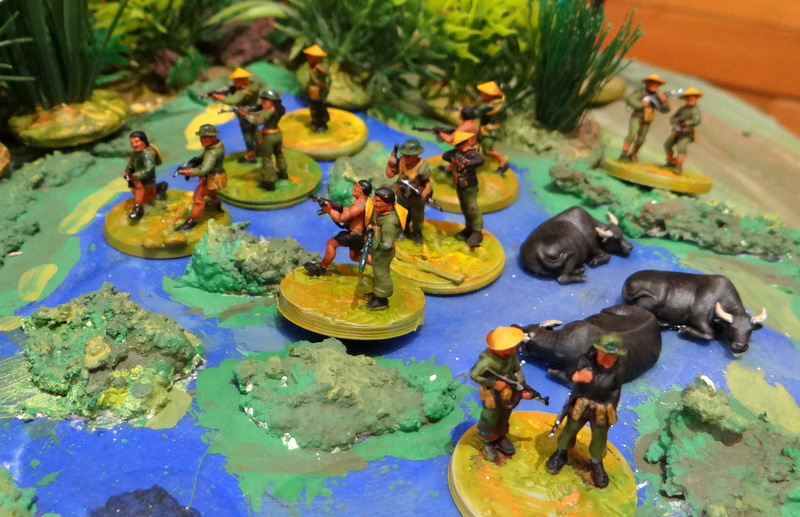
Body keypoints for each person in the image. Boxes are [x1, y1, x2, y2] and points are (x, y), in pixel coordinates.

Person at [545, 332, 627, 488]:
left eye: (612, 355)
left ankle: (596, 462)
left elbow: (615, 391)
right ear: (598, 350)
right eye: (604, 353)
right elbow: (569, 369)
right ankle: (561, 452)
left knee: (599, 438)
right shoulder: (585, 360)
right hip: (581, 405)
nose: (607, 358)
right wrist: (576, 375)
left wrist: (611, 409)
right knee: (569, 430)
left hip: (602, 409)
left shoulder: (618, 369)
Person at [469, 326, 535, 463]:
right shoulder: (486, 361)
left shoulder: (510, 356)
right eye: (509, 348)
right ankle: (487, 441)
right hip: (492, 394)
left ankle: (501, 436)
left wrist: (522, 386)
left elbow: (516, 370)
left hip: (508, 392)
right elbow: (474, 375)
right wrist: (494, 383)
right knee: (490, 417)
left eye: (513, 348)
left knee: (505, 415)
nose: (513, 351)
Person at [304, 180, 372, 277]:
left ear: (361, 190)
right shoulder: (362, 201)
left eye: (356, 185)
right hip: (360, 235)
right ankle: (378, 263)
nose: (353, 187)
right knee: (355, 256)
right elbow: (348, 211)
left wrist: (329, 210)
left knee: (331, 244)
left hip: (355, 235)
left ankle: (321, 268)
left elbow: (341, 218)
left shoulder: (360, 205)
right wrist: (337, 207)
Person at [174, 124, 226, 231]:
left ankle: (192, 221)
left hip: (210, 177)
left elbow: (204, 170)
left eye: (205, 137)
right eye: (201, 137)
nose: (202, 140)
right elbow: (204, 156)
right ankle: (216, 206)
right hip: (215, 175)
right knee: (211, 193)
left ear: (213, 136)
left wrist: (185, 172)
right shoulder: (215, 146)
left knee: (198, 198)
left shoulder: (212, 152)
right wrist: (195, 160)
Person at [213, 68, 264, 163]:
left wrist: (220, 97)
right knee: (255, 132)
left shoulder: (244, 91)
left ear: (243, 79)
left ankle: (250, 155)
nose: (234, 82)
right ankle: (261, 150)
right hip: (254, 112)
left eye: (236, 80)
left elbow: (233, 100)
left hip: (245, 114)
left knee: (247, 135)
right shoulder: (254, 85)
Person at [239, 90, 287, 191]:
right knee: (279, 154)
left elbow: (258, 121)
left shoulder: (269, 111)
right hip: (277, 133)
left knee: (266, 159)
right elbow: (259, 113)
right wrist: (247, 112)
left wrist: (245, 115)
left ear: (271, 102)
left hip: (268, 137)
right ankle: (283, 172)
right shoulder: (277, 110)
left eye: (265, 101)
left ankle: (269, 182)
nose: (262, 102)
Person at [385, 139, 431, 244]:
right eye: (404, 155)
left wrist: (426, 192)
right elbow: (390, 174)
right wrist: (389, 164)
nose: (405, 157)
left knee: (417, 216)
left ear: (416, 155)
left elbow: (427, 182)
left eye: (408, 156)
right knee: (402, 214)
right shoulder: (401, 161)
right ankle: (403, 230)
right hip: (402, 194)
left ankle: (417, 232)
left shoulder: (422, 166)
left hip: (416, 197)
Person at [443, 131, 485, 247]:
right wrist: (454, 159)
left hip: (469, 185)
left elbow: (479, 161)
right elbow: (445, 155)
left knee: (472, 208)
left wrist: (468, 162)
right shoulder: (457, 152)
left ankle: (477, 232)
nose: (457, 147)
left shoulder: (471, 153)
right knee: (465, 207)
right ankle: (469, 229)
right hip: (459, 184)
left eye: (459, 144)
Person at [364, 187, 402, 309]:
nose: (374, 203)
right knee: (376, 272)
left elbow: (387, 244)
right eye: (374, 200)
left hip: (383, 252)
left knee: (381, 273)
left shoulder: (389, 222)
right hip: (377, 249)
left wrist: (374, 241)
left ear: (389, 204)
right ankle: (377, 293)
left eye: (378, 201)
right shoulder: (379, 212)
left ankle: (382, 298)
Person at [620, 73, 671, 162]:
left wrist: (664, 102)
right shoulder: (640, 92)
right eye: (652, 82)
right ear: (647, 83)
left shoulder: (658, 96)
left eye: (656, 83)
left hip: (647, 119)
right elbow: (630, 99)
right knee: (632, 134)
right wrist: (642, 105)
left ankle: (633, 155)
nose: (654, 85)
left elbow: (665, 110)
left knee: (641, 138)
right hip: (637, 116)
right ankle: (624, 153)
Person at [123, 131, 167, 221]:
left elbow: (148, 169)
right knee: (137, 191)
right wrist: (127, 171)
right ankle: (159, 187)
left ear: (143, 141)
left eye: (137, 141)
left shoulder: (148, 154)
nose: (134, 145)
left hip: (146, 178)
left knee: (143, 194)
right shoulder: (136, 152)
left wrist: (136, 175)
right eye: (132, 143)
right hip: (137, 178)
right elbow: (131, 163)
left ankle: (138, 209)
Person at [474, 81, 510, 173]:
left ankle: (503, 163)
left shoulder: (490, 105)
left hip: (489, 132)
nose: (482, 94)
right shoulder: (495, 103)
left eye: (484, 93)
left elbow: (475, 111)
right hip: (483, 129)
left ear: (490, 95)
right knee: (475, 145)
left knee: (488, 150)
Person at [664, 87, 703, 172]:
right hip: (677, 131)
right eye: (688, 97)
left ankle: (678, 165)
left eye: (693, 97)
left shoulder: (695, 111)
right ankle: (670, 161)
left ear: (696, 98)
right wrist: (675, 120)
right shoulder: (682, 109)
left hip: (687, 133)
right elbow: (672, 118)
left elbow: (697, 120)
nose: (690, 98)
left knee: (681, 146)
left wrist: (688, 122)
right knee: (667, 145)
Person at [303, 45, 331, 133]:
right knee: (312, 107)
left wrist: (321, 73)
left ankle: (322, 124)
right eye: (308, 56)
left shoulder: (320, 67)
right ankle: (315, 120)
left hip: (319, 92)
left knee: (320, 108)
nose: (308, 57)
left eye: (311, 56)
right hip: (311, 91)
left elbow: (325, 78)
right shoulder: (309, 66)